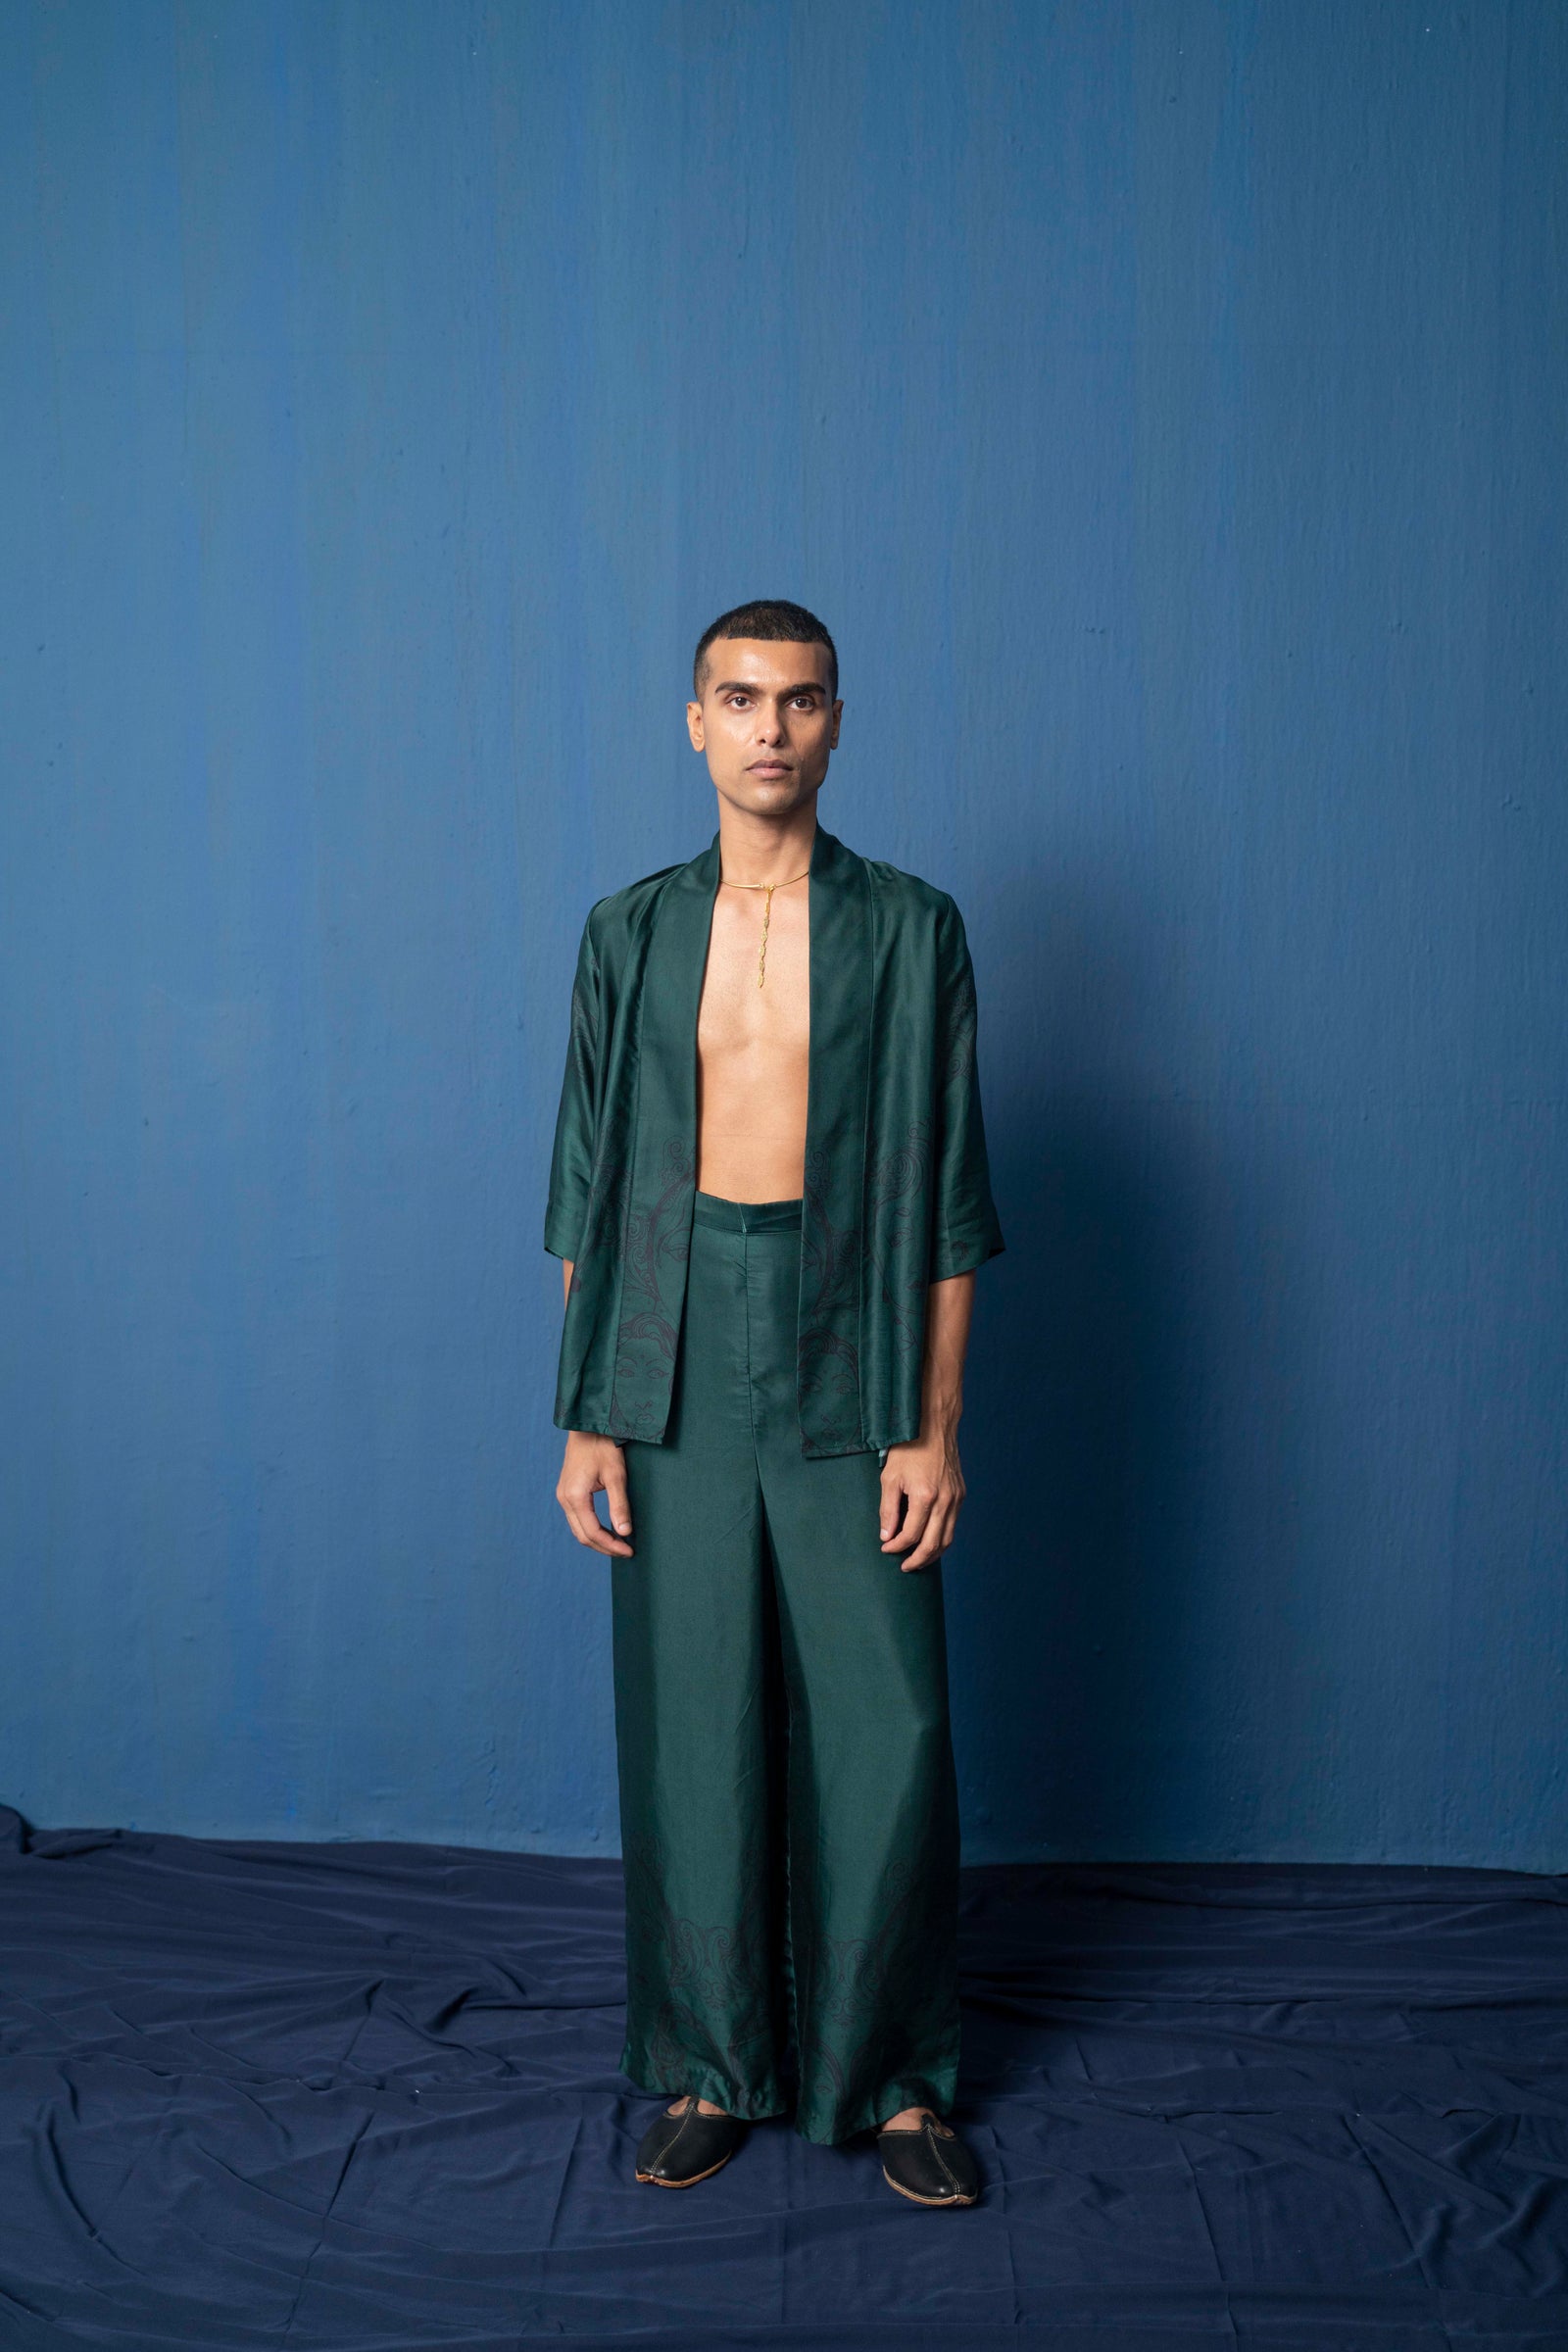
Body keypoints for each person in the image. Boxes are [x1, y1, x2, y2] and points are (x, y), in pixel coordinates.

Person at [544, 598, 1004, 2208]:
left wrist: (934, 1424)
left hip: (848, 1323)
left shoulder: (911, 928)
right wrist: (586, 1411)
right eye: (739, 700)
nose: (770, 729)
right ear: (696, 724)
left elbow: (949, 1194)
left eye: (800, 702)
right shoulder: (627, 931)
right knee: (694, 1717)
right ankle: (713, 2061)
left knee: (887, 1719)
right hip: (668, 1335)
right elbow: (587, 1187)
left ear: (836, 724)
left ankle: (894, 2078)